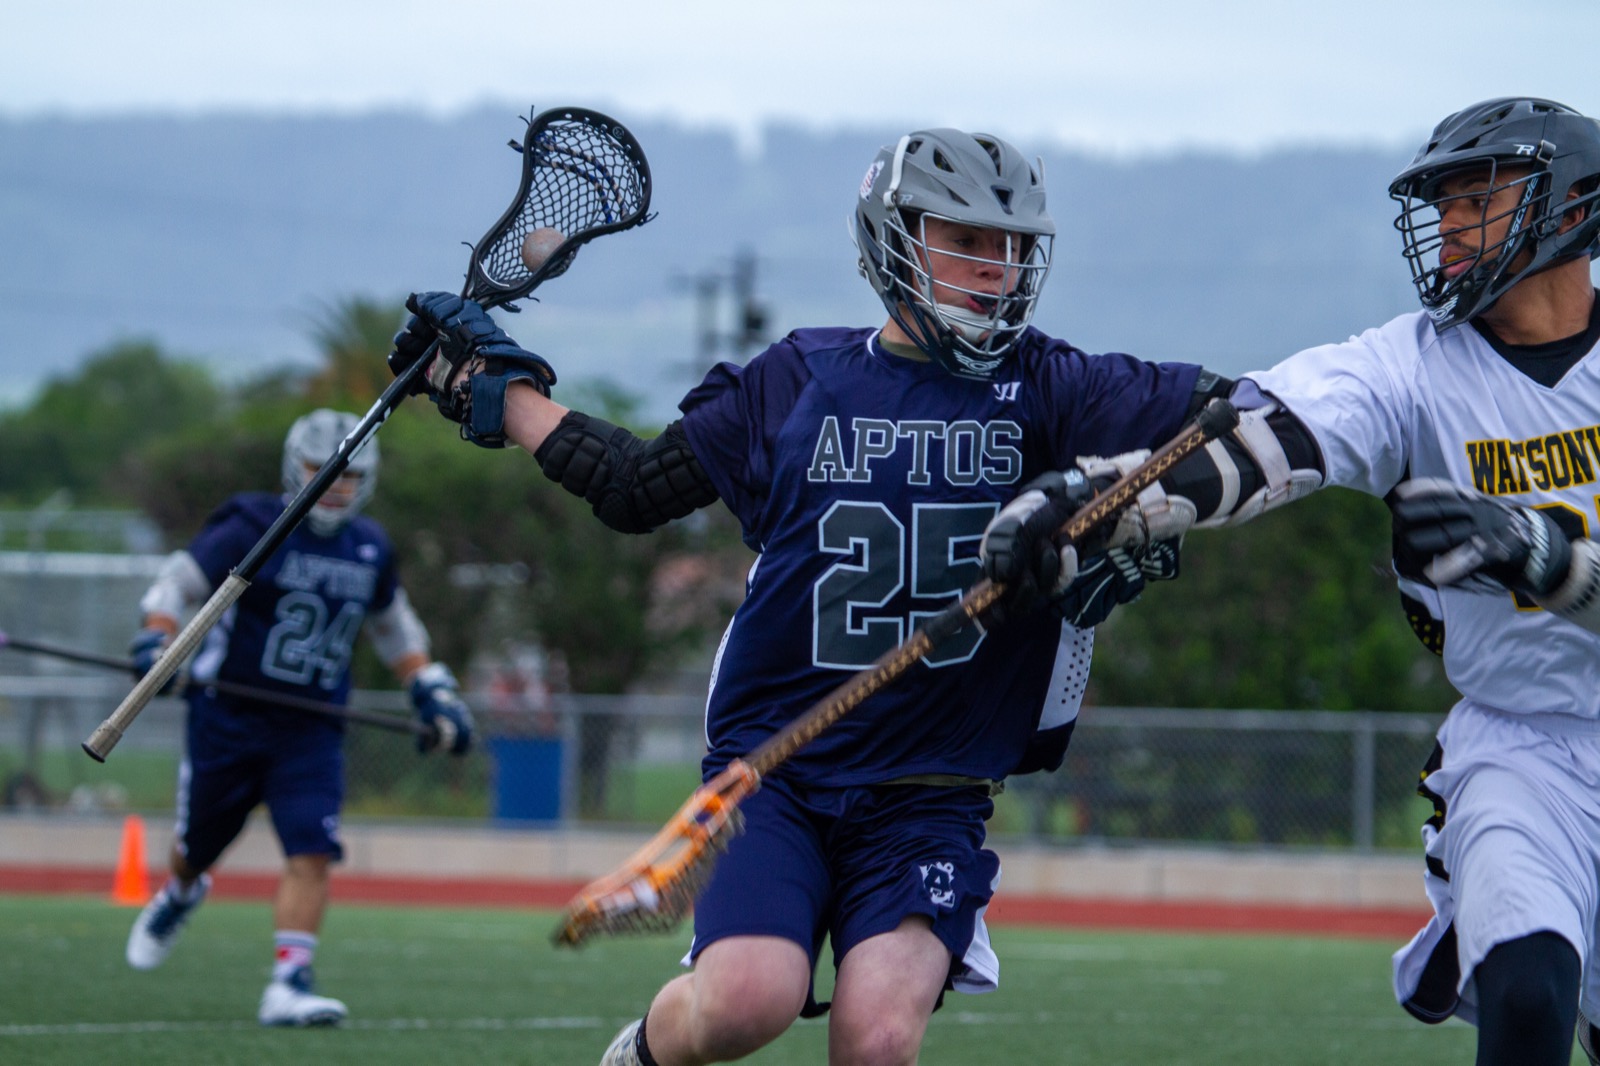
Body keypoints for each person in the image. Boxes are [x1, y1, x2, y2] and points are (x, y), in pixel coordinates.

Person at [389, 127, 1236, 1065]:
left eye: (1012, 247)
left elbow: (1246, 418)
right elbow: (635, 488)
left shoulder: (1055, 386)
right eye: (966, 241)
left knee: (875, 1041)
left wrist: (1150, 509)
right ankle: (640, 1054)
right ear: (893, 235)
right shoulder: (798, 379)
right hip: (776, 770)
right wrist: (490, 386)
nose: (996, 269)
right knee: (746, 1002)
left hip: (931, 786)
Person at [982, 96, 1600, 1066]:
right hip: (1520, 746)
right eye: (1438, 201)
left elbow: (1553, 565)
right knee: (1526, 994)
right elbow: (1261, 440)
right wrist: (1097, 498)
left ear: (1569, 209)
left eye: (1474, 196)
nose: (1446, 224)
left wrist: (1548, 559)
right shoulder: (1410, 365)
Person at [123, 408, 475, 1027]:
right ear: (297, 467)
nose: (338, 483)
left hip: (310, 727)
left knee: (311, 849)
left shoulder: (368, 546)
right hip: (228, 715)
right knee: (197, 847)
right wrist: (158, 639)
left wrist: (429, 686)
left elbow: (394, 628)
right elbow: (176, 585)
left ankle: (289, 981)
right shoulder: (254, 524)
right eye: (325, 470)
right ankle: (181, 891)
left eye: (351, 473)